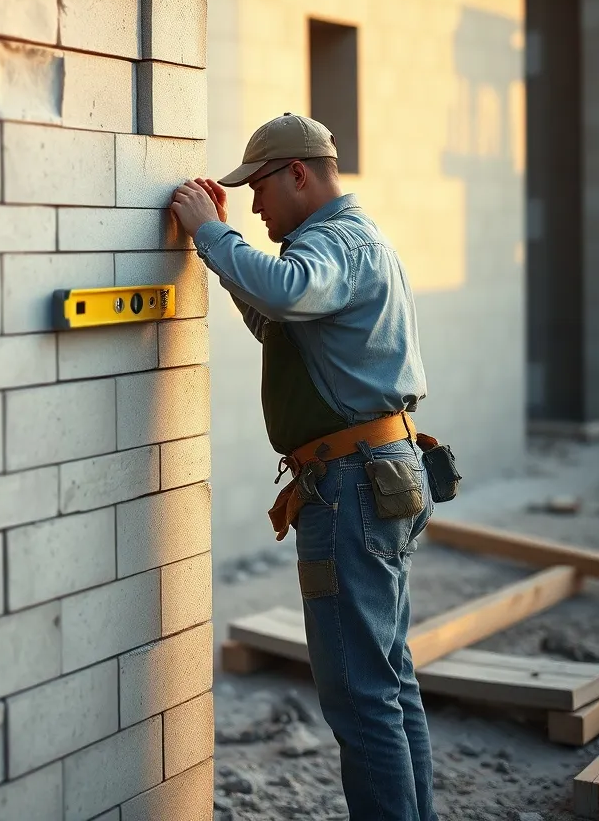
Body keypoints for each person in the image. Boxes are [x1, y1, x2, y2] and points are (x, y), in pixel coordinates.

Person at [169, 112, 439, 821]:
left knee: (360, 692)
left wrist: (212, 233)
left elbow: (287, 291)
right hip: (375, 475)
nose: (255, 206)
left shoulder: (334, 243)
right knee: (388, 680)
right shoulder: (348, 243)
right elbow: (278, 318)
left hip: (353, 486)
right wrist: (222, 252)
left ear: (298, 174)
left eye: (259, 188)